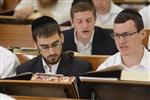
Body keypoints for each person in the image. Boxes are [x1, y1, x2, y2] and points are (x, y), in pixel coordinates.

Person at [16, 16, 92, 99]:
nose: (52, 52)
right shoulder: (24, 71)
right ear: (35, 44)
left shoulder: (82, 69)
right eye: (45, 47)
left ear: (62, 38)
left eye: (55, 44)